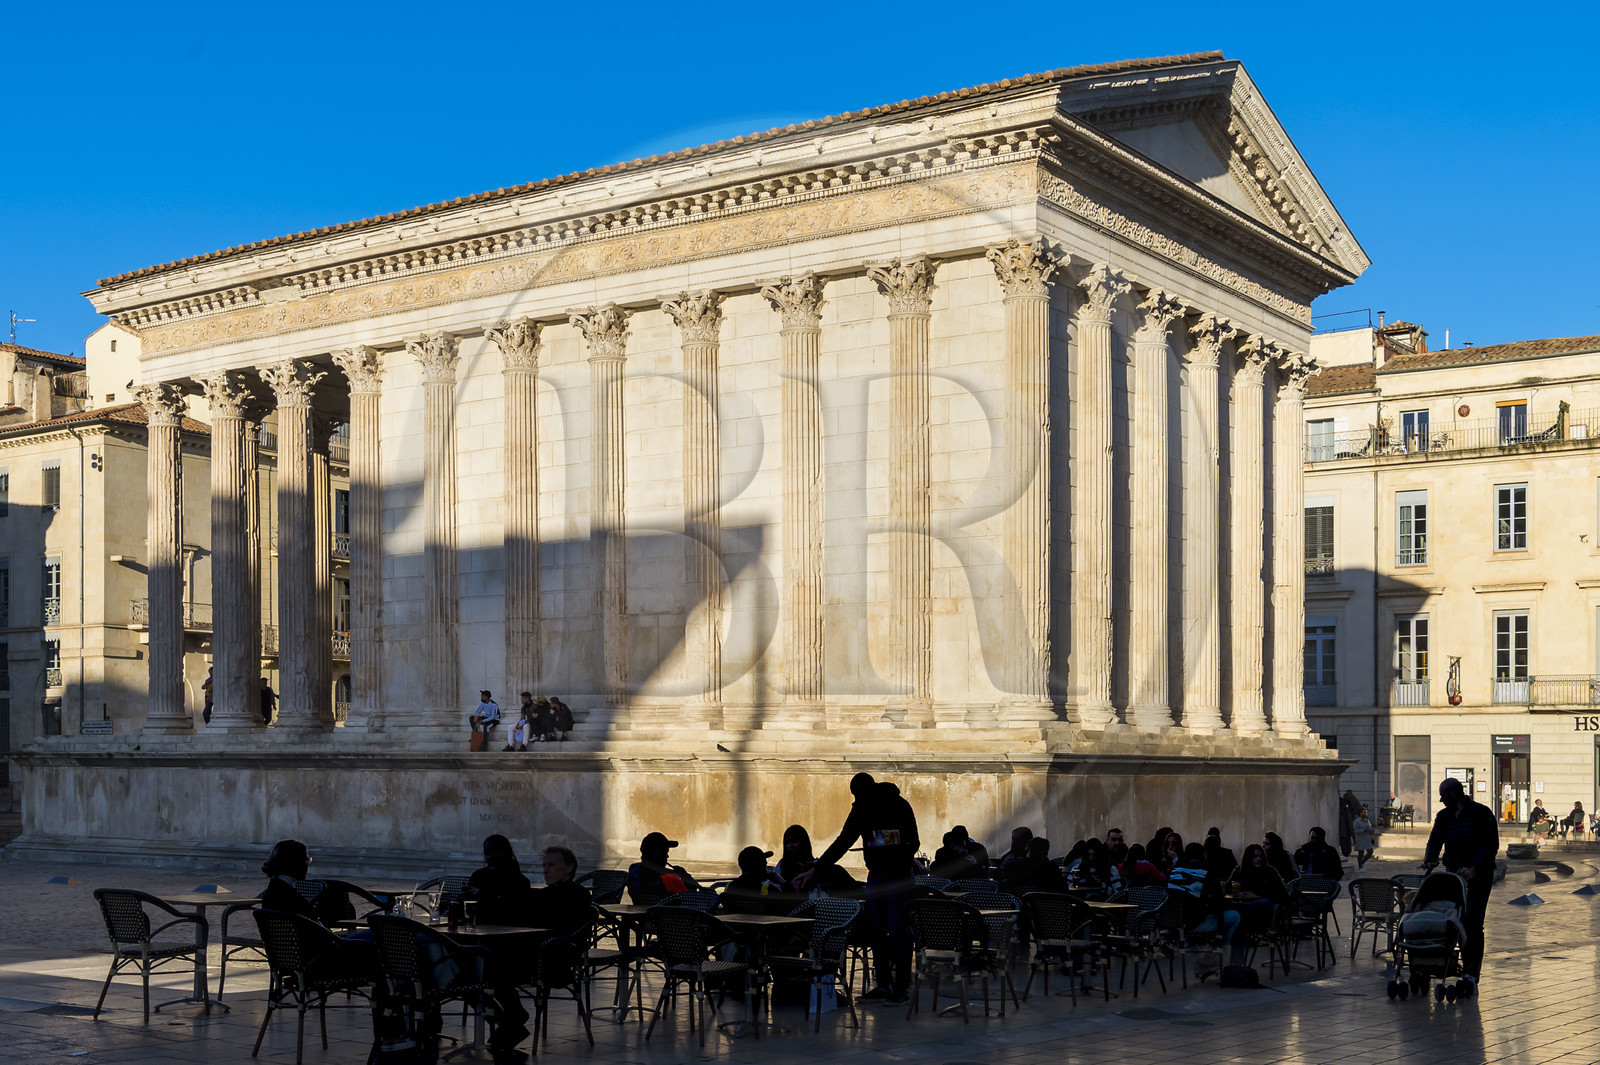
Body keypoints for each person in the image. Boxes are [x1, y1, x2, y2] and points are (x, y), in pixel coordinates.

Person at [794, 772, 919, 1003]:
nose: (856, 801)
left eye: (859, 796)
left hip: (899, 878)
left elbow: (914, 842)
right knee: (877, 931)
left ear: (872, 791)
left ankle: (900, 988)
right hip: (876, 877)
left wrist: (877, 841)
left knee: (899, 932)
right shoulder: (861, 808)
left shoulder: (898, 805)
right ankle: (883, 984)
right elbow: (843, 841)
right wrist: (816, 868)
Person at [1424, 775, 1499, 985]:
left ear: (1453, 794)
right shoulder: (1444, 816)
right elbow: (1435, 840)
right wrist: (1430, 860)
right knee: (1453, 919)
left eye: (1443, 796)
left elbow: (1490, 845)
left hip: (1479, 875)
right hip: (1454, 874)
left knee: (1474, 923)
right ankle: (1449, 963)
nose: (1441, 800)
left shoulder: (1482, 813)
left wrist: (1475, 868)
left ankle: (1472, 971)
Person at [465, 835, 533, 1053]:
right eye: (487, 853)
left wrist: (484, 896)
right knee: (461, 976)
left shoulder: (519, 881)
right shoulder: (478, 876)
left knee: (485, 971)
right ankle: (510, 1020)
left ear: (506, 853)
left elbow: (513, 912)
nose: (490, 857)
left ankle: (511, 1019)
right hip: (479, 939)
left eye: (495, 852)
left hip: (508, 944)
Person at [1166, 842, 1240, 963]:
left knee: (1190, 914)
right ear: (1204, 855)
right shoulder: (1207, 875)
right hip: (1194, 925)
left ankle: (1199, 962)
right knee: (1235, 916)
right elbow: (1218, 904)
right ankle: (1214, 954)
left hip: (1174, 925)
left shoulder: (1174, 873)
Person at [528, 845, 593, 933]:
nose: (545, 870)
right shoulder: (544, 893)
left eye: (551, 865)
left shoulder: (577, 895)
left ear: (569, 867)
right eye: (544, 865)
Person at [627, 832, 701, 902]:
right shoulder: (670, 879)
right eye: (666, 853)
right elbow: (690, 898)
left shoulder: (634, 869)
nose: (667, 856)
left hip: (640, 914)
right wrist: (686, 878)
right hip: (668, 914)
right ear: (658, 854)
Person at [998, 837, 1064, 895]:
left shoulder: (1013, 865)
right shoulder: (1052, 869)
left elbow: (1002, 883)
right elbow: (1062, 889)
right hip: (1045, 906)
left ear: (1029, 850)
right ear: (1046, 852)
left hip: (1018, 906)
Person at [774, 825, 816, 891]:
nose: (790, 845)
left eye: (794, 841)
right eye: (787, 843)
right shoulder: (782, 864)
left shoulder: (815, 865)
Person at [1338, 789, 1361, 858]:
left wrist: (1353, 837)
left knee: (1347, 849)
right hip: (1343, 833)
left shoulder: (1347, 814)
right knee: (1345, 848)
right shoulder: (1341, 815)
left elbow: (1350, 825)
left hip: (1347, 832)